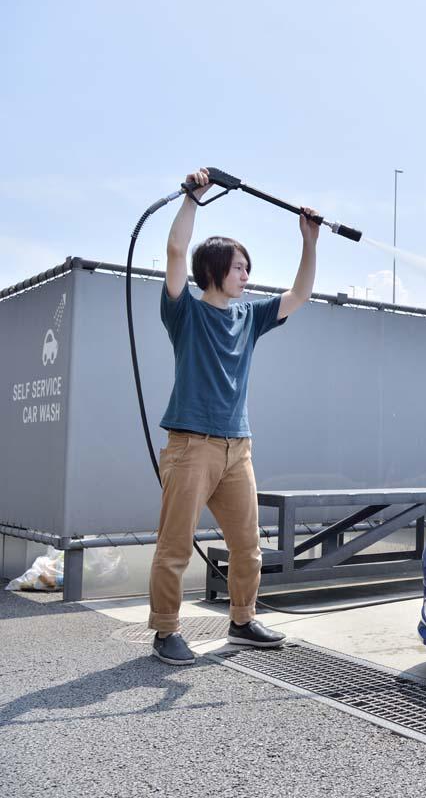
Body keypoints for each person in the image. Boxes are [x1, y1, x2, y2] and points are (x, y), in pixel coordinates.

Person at [149, 167, 319, 665]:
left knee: (248, 546)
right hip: (191, 447)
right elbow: (177, 252)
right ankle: (165, 631)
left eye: (248, 267)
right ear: (215, 270)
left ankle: (242, 621)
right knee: (175, 546)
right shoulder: (185, 311)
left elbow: (299, 296)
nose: (246, 274)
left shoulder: (249, 316)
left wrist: (309, 242)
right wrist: (192, 199)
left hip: (236, 448)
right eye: (240, 266)